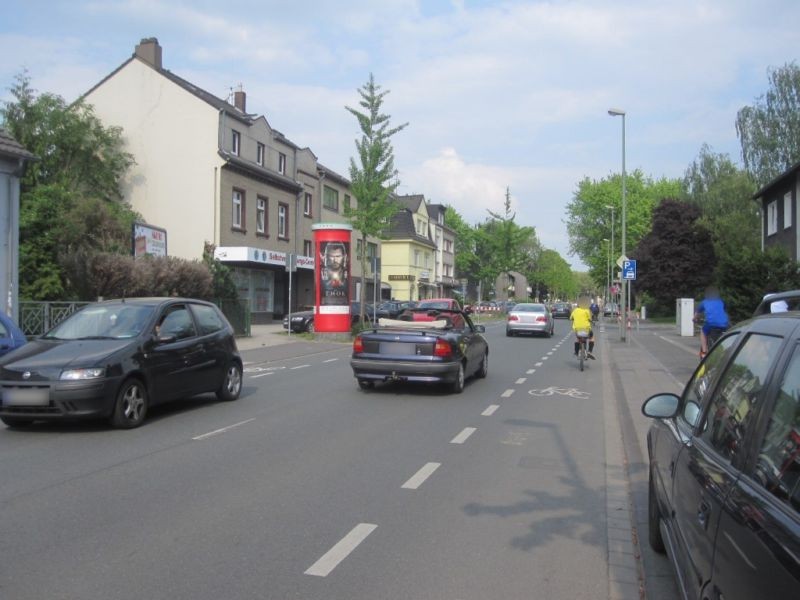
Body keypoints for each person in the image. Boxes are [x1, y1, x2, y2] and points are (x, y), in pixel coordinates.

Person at [694, 286, 730, 357]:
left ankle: (704, 352)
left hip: (711, 324)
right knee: (726, 335)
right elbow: (724, 309)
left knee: (703, 331)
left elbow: (697, 312)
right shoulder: (721, 301)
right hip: (724, 324)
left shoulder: (704, 302)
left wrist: (694, 318)